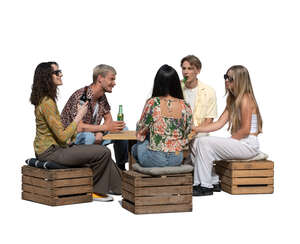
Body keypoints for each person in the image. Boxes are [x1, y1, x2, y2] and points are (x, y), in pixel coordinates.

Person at [30, 62, 121, 202]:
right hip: (50, 151)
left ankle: (121, 187)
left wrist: (99, 131)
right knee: (102, 152)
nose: (61, 74)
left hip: (60, 147)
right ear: (47, 77)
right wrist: (79, 117)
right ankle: (95, 190)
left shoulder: (49, 100)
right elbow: (62, 137)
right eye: (57, 72)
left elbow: (65, 135)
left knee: (102, 152)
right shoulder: (47, 103)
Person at [191, 65, 263, 196]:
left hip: (248, 144)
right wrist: (195, 128)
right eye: (225, 77)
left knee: (204, 143)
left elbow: (246, 130)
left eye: (230, 78)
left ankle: (204, 186)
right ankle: (213, 181)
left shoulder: (246, 98)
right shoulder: (233, 101)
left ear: (240, 80)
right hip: (240, 142)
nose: (226, 80)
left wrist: (229, 141)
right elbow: (218, 123)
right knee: (196, 142)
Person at [61, 64, 128, 170]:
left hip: (93, 133)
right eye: (111, 79)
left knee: (123, 129)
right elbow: (78, 127)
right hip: (72, 138)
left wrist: (100, 132)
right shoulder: (81, 96)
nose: (114, 83)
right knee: (88, 137)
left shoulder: (102, 97)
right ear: (100, 79)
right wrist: (103, 129)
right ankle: (90, 170)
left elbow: (109, 120)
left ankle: (121, 167)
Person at [132, 65, 193, 167]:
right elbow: (188, 131)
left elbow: (140, 131)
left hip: (155, 159)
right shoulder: (185, 105)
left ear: (158, 83)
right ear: (176, 83)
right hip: (176, 159)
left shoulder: (153, 102)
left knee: (135, 147)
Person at [180, 55, 217, 137]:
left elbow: (209, 120)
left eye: (190, 68)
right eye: (184, 68)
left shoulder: (209, 91)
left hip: (200, 133)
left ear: (198, 71)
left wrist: (193, 134)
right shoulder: (176, 87)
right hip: (179, 133)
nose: (186, 72)